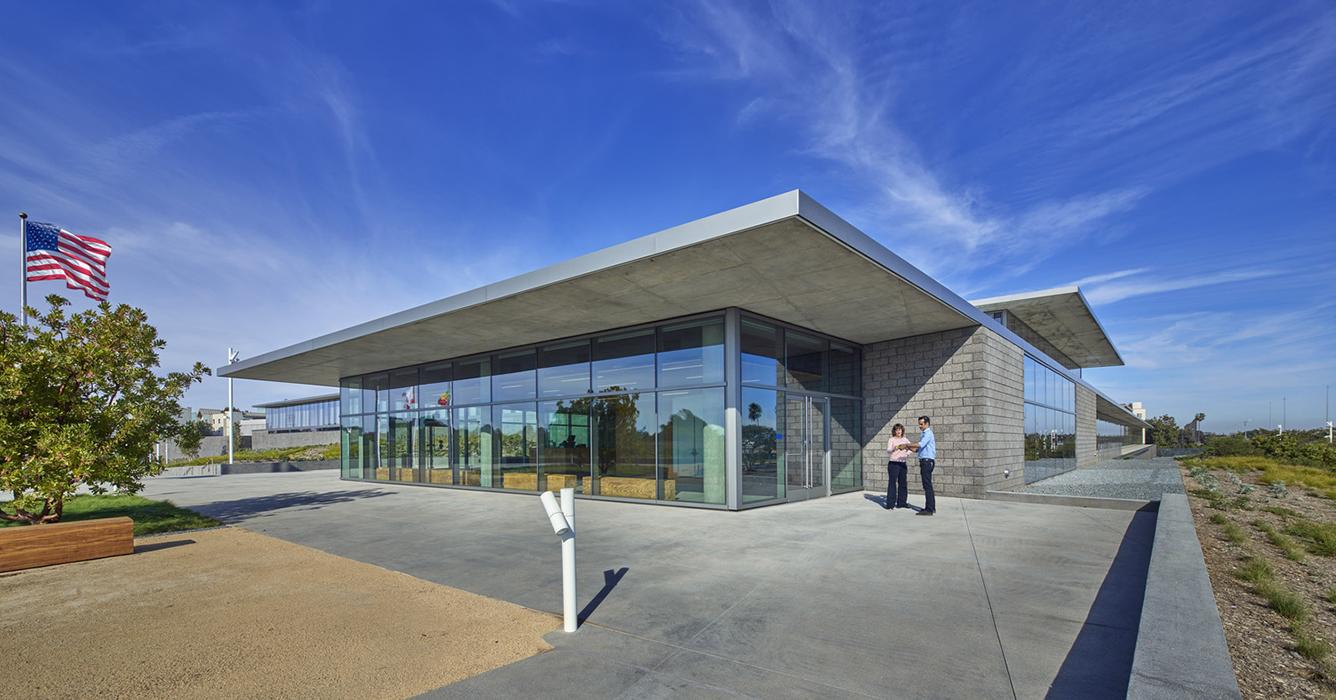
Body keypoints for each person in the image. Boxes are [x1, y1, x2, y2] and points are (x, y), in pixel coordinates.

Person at [906, 416, 936, 515]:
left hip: (927, 462)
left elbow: (920, 444)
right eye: (919, 424)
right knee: (927, 485)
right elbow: (918, 449)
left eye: (921, 424)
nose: (919, 426)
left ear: (927, 424)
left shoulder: (928, 433)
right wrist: (908, 448)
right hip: (925, 461)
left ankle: (929, 509)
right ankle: (931, 507)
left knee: (927, 485)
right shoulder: (923, 434)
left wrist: (907, 445)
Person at [885, 423, 910, 510]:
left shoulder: (905, 439)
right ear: (894, 431)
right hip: (893, 464)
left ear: (902, 430)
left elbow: (910, 449)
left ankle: (902, 503)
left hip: (902, 464)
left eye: (900, 429)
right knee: (892, 484)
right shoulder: (891, 439)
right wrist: (894, 448)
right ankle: (890, 504)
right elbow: (888, 450)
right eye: (897, 430)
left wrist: (906, 454)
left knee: (903, 483)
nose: (898, 431)